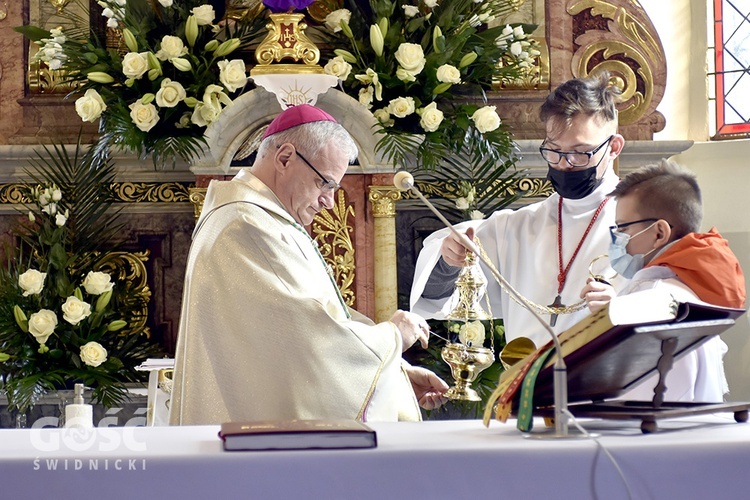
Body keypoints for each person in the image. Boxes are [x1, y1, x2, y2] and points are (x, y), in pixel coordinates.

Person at [170, 104, 448, 425]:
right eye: (325, 184)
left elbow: (306, 329)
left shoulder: (262, 218)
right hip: (252, 446)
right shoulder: (244, 225)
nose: (330, 201)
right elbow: (309, 342)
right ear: (285, 158)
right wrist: (394, 337)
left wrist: (393, 378)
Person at [410, 72, 625, 348]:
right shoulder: (518, 227)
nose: (564, 165)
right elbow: (436, 298)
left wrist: (623, 308)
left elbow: (678, 309)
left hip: (603, 386)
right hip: (525, 385)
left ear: (614, 147)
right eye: (554, 151)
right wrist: (449, 262)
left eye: (580, 153)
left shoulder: (642, 224)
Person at [581, 159, 745, 401]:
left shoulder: (653, 299)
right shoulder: (688, 288)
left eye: (622, 228)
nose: (616, 239)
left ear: (659, 233)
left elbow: (631, 401)